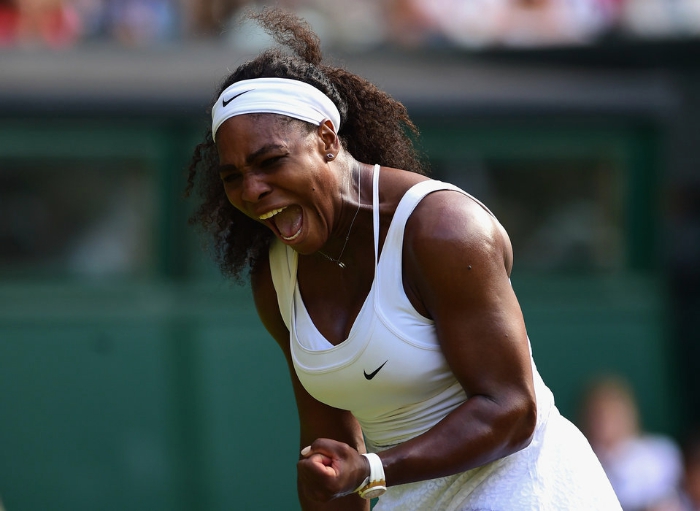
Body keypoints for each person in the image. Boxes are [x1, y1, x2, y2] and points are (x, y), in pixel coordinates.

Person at [185, 7, 622, 510]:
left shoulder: (443, 229)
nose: (252, 190)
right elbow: (331, 452)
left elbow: (512, 409)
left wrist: (373, 470)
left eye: (270, 161)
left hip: (527, 487)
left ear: (326, 140)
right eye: (234, 177)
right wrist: (345, 476)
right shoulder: (275, 277)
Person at [579, 376, 684, 511]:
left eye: (613, 413)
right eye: (597, 415)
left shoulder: (662, 451)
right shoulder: (582, 459)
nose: (605, 422)